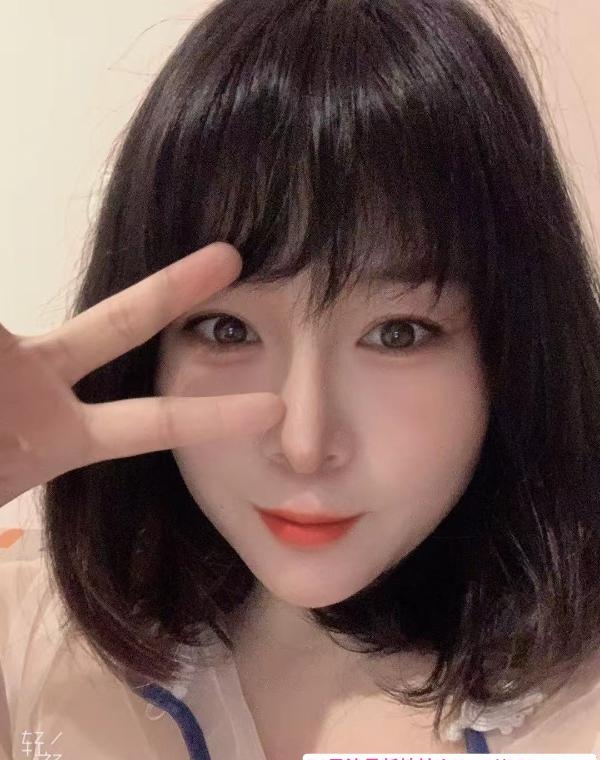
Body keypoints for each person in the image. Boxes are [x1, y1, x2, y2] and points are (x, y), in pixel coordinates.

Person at [1, 0, 600, 756]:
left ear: (516, 348)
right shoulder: (28, 650)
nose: (305, 445)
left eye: (398, 333)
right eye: (227, 329)